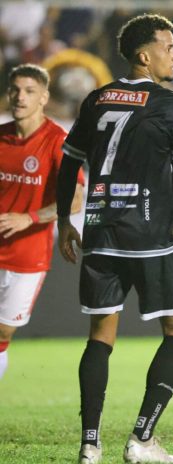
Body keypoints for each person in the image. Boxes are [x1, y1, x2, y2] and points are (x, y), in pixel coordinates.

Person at [55, 14, 173, 464]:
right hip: (153, 237)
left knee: (100, 336)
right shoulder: (172, 105)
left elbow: (68, 164)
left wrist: (64, 219)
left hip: (99, 233)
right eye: (168, 47)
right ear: (144, 55)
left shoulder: (95, 100)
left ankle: (89, 445)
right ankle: (141, 438)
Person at [0, 63, 84, 380]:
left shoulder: (57, 141)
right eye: (15, 90)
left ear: (44, 97)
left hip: (27, 257)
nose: (20, 98)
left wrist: (30, 218)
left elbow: (75, 197)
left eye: (29, 92)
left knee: (4, 332)